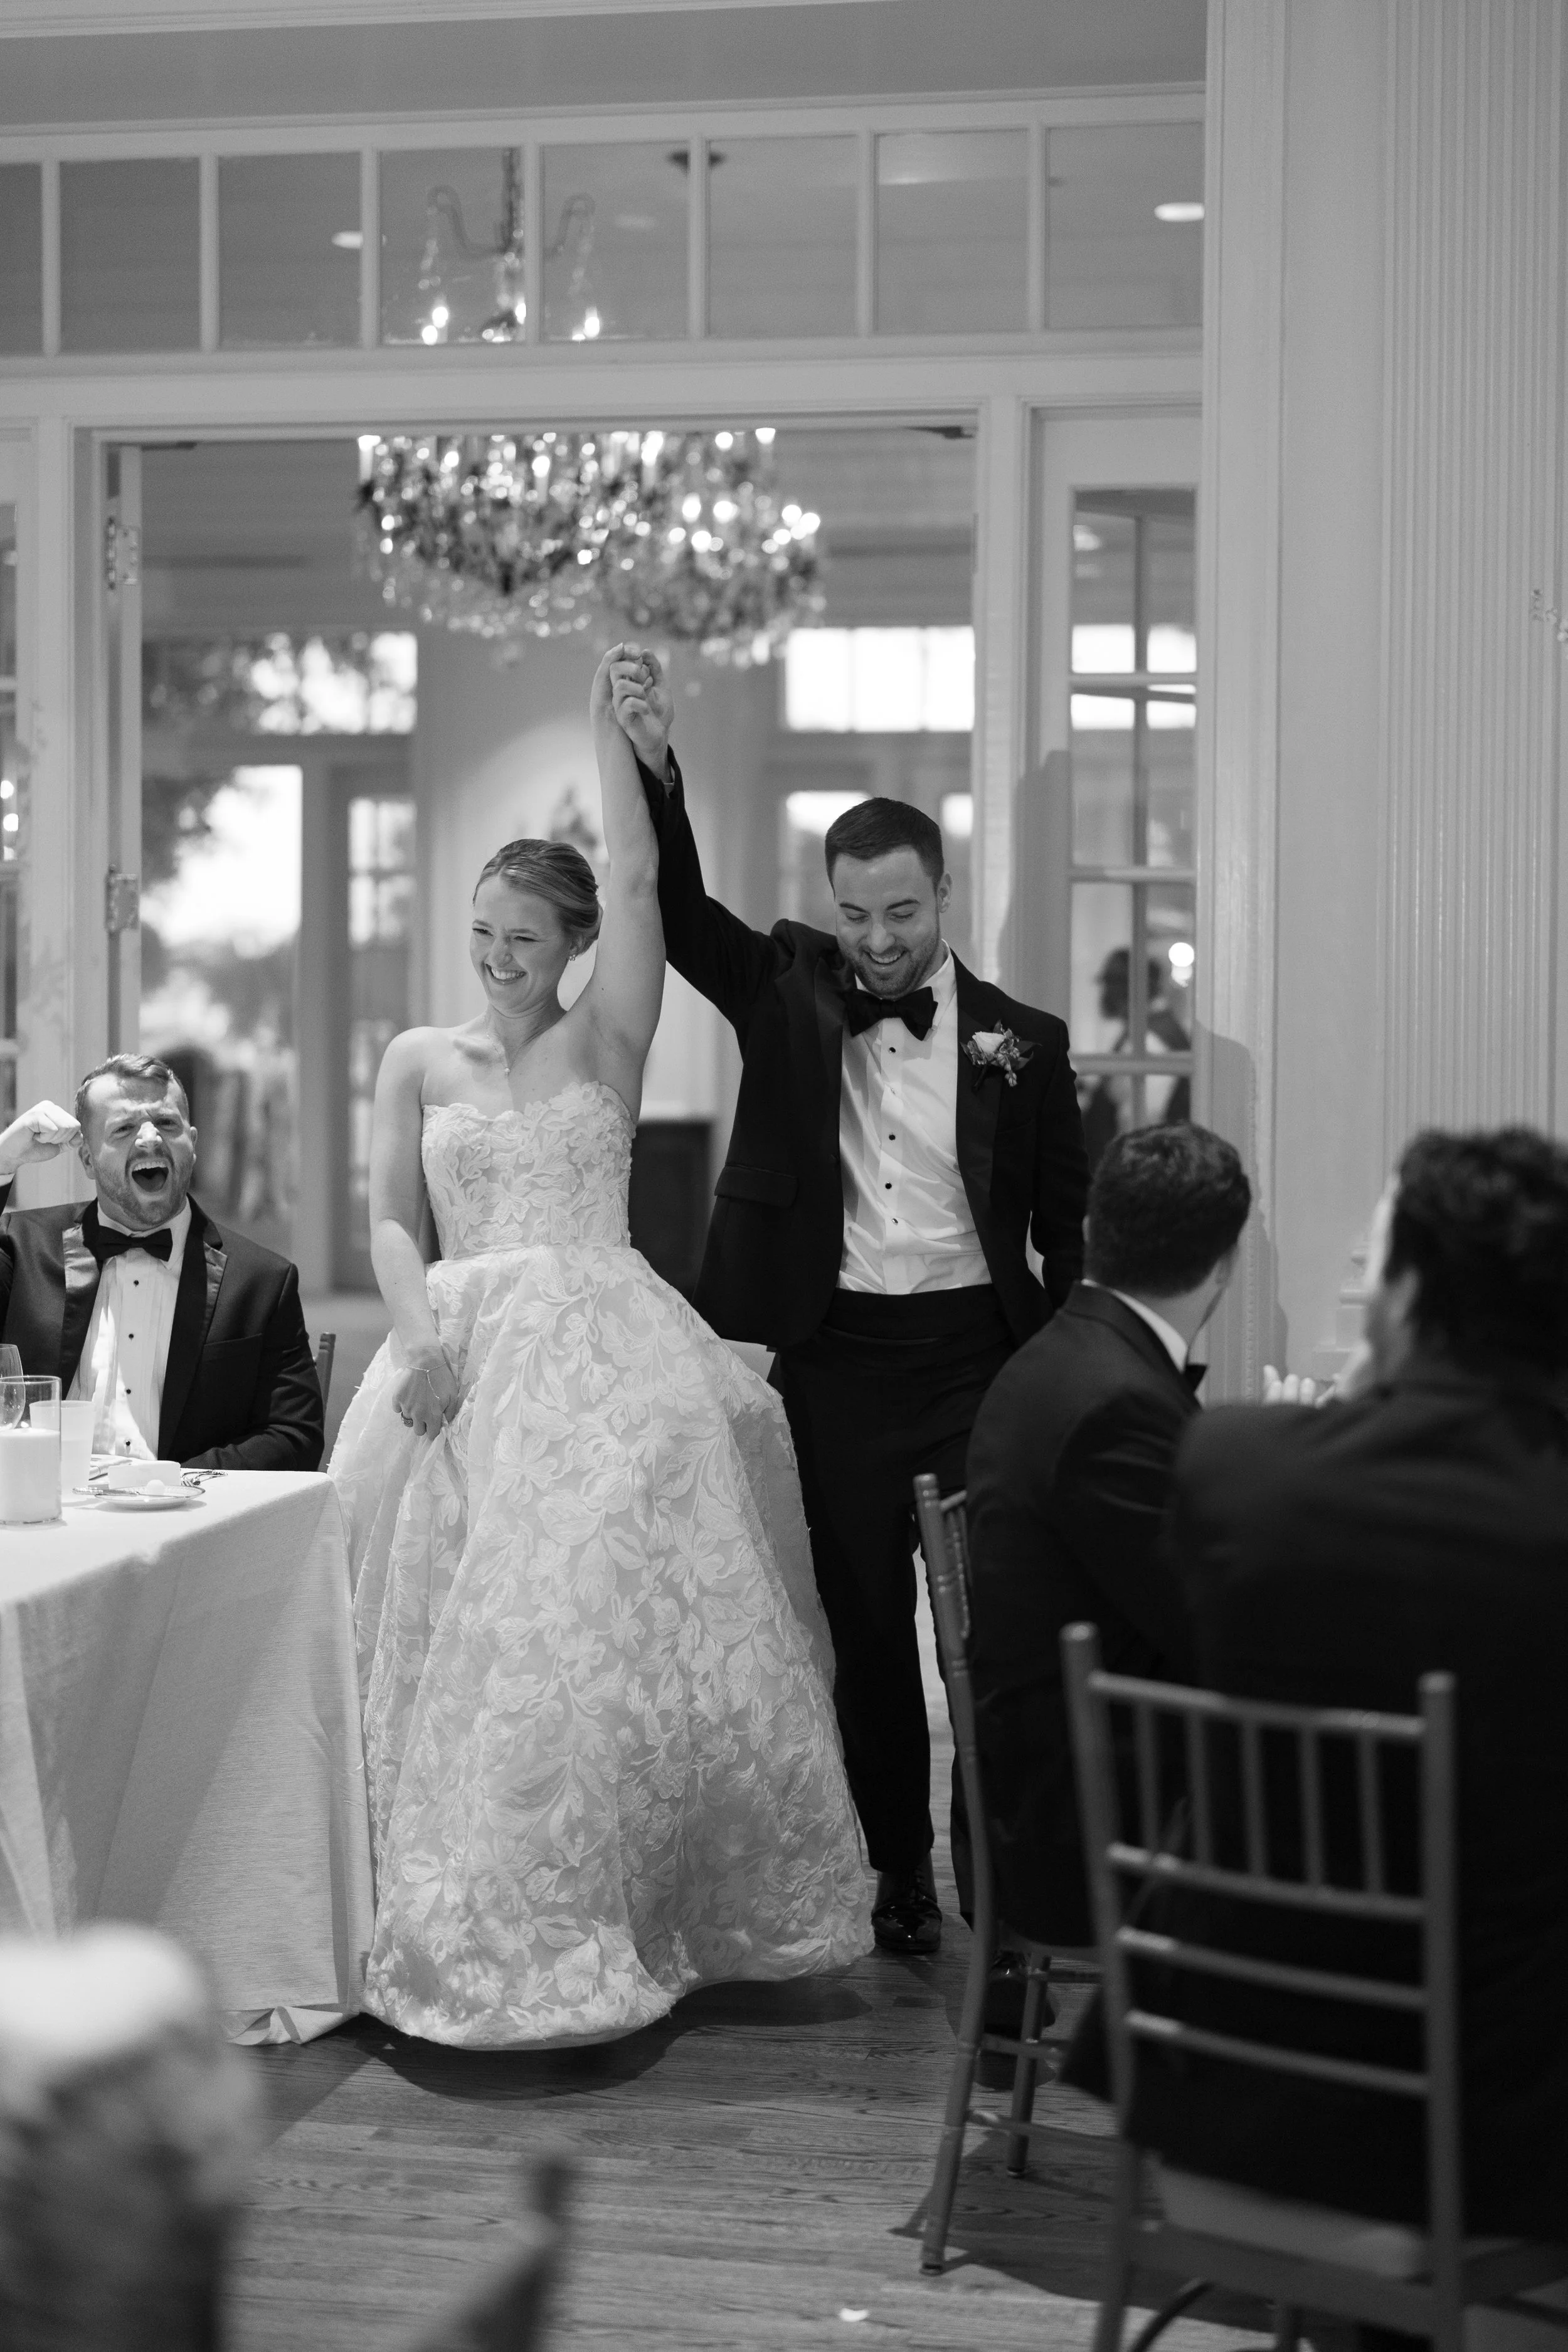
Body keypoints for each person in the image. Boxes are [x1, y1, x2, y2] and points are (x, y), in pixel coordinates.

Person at [328, 646, 869, 2049]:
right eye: (481, 933)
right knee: (440, 1641)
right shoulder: (413, 1059)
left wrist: (616, 738)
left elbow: (638, 884)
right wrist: (419, 1336)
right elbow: (391, 1220)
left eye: (523, 937)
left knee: (575, 1633)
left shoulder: (606, 1038)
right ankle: (432, 1908)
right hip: (450, 1354)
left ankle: (612, 1909)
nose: (499, 958)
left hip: (598, 1349)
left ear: (569, 949)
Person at [622, 659, 1089, 1957]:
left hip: (976, 1363)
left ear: (943, 894)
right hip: (831, 1360)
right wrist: (657, 768)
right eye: (856, 915)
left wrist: (1066, 1369)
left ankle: (990, 1891)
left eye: (898, 912)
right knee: (869, 1634)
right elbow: (675, 903)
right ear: (829, 905)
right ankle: (892, 1872)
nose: (877, 940)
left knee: (979, 1641)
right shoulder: (785, 986)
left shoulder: (1023, 1041)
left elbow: (1069, 1225)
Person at [1111, 1126, 1568, 2236]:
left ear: (1402, 1295)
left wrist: (1368, 1380)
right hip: (1497, 2150)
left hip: (1226, 2104)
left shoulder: (1234, 1470)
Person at [965, 1124, 1250, 1989]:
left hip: (1056, 1777)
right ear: (1224, 1266)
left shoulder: (1065, 1357)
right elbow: (1212, 1631)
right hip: (1091, 1822)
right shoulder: (1116, 1402)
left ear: (1093, 1232)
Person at [0, 1056, 323, 1470]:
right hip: (47, 1514)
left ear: (192, 1143)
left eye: (167, 1125)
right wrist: (3, 1162)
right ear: (87, 1159)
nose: (150, 1139)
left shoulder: (262, 1281)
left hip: (186, 1520)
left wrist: (170, 1487)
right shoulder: (21, 1245)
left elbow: (295, 1436)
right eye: (124, 1128)